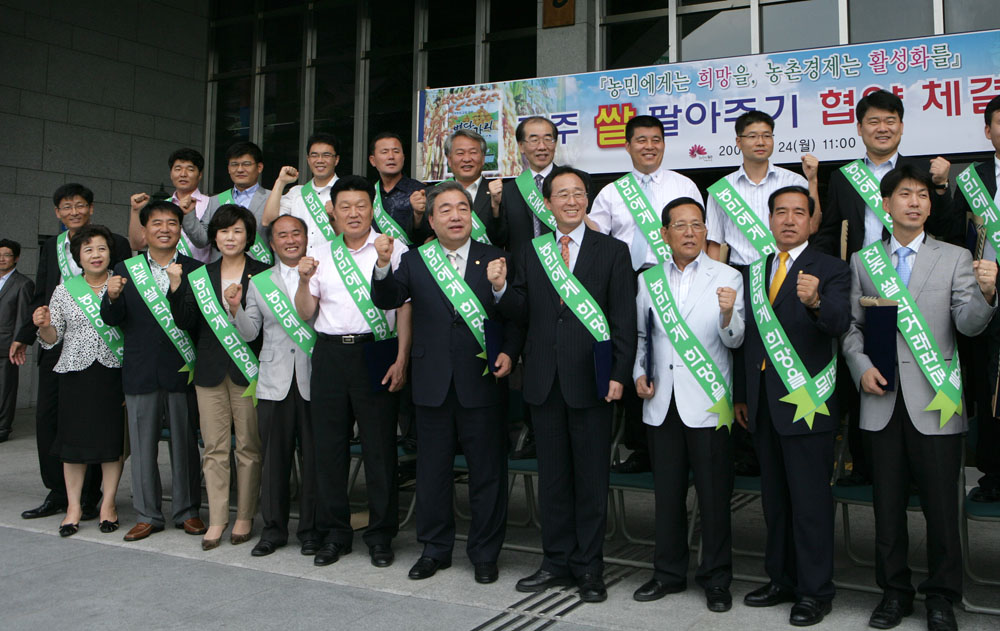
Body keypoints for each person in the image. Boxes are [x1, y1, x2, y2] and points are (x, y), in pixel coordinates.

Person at [843, 165, 997, 631]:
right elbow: (852, 328)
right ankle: (894, 592)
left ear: (931, 205)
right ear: (885, 205)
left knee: (940, 510)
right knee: (886, 508)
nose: (915, 202)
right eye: (904, 194)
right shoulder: (863, 261)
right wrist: (861, 365)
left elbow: (968, 325)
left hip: (937, 401)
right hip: (881, 401)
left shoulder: (953, 257)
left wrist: (988, 293)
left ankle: (942, 596)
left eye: (922, 195)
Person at [494, 166, 636, 603]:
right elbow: (523, 312)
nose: (571, 201)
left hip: (592, 381)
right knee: (552, 479)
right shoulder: (532, 251)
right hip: (543, 380)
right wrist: (500, 289)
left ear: (587, 200)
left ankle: (589, 567)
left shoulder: (612, 251)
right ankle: (555, 562)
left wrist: (618, 373)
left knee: (591, 480)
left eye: (578, 193)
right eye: (562, 195)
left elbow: (624, 322)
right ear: (549, 203)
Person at [371, 180, 517, 583]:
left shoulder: (495, 257)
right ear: (431, 220)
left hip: (482, 381)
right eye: (446, 210)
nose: (456, 216)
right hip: (432, 381)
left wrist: (502, 296)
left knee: (487, 474)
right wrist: (382, 266)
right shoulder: (416, 261)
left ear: (472, 217)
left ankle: (485, 554)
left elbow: (516, 314)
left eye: (463, 209)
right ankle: (435, 549)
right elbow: (388, 299)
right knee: (432, 473)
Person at [813, 89, 961, 488]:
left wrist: (943, 189)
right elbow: (830, 234)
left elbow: (946, 229)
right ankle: (867, 465)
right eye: (874, 121)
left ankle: (914, 465)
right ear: (859, 128)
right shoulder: (844, 177)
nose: (883, 128)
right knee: (866, 377)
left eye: (890, 120)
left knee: (913, 372)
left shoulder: (920, 174)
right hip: (864, 284)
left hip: (915, 284)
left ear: (901, 127)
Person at [734, 186, 850, 626]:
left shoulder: (831, 268)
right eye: (780, 212)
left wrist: (816, 302)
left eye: (798, 213)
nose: (788, 220)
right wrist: (744, 395)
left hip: (807, 402)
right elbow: (749, 340)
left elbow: (839, 323)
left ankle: (815, 591)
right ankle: (780, 579)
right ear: (769, 220)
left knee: (810, 503)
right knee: (775, 502)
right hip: (764, 405)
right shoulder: (755, 268)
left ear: (811, 221)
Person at [632, 197, 744, 612]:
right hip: (662, 402)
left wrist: (729, 314)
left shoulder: (728, 275)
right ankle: (668, 574)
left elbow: (736, 341)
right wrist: (637, 375)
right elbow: (643, 338)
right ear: (665, 234)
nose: (690, 232)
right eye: (680, 225)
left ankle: (716, 579)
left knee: (715, 497)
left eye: (697, 224)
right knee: (667, 494)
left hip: (709, 403)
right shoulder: (648, 281)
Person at [294, 175, 410, 568]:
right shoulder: (319, 253)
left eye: (361, 205)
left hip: (377, 352)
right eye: (345, 206)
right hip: (328, 355)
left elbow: (406, 308)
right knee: (328, 449)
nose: (354, 213)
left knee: (379, 450)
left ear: (372, 208)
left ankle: (380, 535)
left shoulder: (393, 249)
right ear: (334, 212)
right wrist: (304, 280)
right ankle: (335, 533)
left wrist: (402, 358)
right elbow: (306, 313)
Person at [11, 183, 130, 521]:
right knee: (50, 420)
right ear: (57, 212)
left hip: (105, 343)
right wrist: (26, 334)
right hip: (58, 341)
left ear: (91, 208)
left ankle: (93, 497)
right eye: (67, 206)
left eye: (80, 205)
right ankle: (58, 492)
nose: (74, 211)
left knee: (99, 422)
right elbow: (42, 295)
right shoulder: (52, 246)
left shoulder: (115, 242)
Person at [590, 115, 701, 475]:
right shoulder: (611, 192)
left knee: (674, 353)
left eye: (656, 139)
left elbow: (697, 236)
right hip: (627, 281)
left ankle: (682, 438)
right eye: (641, 140)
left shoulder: (683, 185)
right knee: (637, 353)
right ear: (627, 146)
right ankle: (640, 446)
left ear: (664, 144)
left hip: (674, 277)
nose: (649, 146)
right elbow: (599, 242)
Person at [101, 201, 206, 542]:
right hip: (141, 369)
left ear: (180, 229)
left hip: (181, 369)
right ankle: (147, 514)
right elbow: (113, 321)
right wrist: (112, 298)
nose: (164, 228)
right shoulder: (124, 269)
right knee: (142, 447)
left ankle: (188, 511)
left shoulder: (195, 270)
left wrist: (177, 290)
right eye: (156, 223)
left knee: (186, 444)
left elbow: (194, 322)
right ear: (143, 232)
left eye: (172, 223)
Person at [169, 204, 268, 550]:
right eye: (224, 231)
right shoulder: (200, 274)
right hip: (209, 371)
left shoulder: (263, 273)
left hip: (248, 370)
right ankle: (217, 519)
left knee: (249, 448)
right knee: (213, 448)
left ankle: (244, 516)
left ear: (249, 237)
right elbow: (186, 322)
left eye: (238, 231)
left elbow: (263, 331)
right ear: (214, 236)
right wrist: (176, 288)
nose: (230, 237)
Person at [232, 214, 319, 557]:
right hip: (273, 382)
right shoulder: (260, 281)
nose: (290, 240)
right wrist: (234, 308)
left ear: (306, 237)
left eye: (296, 233)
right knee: (274, 460)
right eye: (282, 235)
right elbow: (250, 332)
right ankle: (273, 529)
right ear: (272, 243)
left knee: (314, 460)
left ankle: (310, 530)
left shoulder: (320, 272)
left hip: (314, 377)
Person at [34, 224, 126, 537]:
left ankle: (108, 504)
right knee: (72, 445)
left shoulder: (124, 284)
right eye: (88, 250)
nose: (96, 255)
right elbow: (51, 337)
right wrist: (44, 325)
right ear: (78, 257)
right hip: (74, 372)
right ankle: (73, 507)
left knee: (110, 443)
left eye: (101, 248)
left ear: (109, 252)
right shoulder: (64, 290)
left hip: (113, 372)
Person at [952, 94, 1000, 503]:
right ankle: (993, 474)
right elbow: (953, 231)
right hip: (985, 297)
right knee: (986, 387)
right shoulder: (971, 180)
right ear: (988, 131)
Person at [706, 110, 820, 266]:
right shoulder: (722, 189)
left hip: (785, 271)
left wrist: (812, 181)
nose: (761, 142)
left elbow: (812, 227)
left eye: (767, 136)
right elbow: (715, 244)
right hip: (740, 274)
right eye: (752, 136)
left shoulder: (794, 181)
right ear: (738, 142)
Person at [498, 116, 592, 253]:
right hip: (523, 269)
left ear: (555, 143)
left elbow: (591, 230)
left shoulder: (579, 180)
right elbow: (500, 239)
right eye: (534, 140)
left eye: (548, 139)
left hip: (566, 266)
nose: (542, 147)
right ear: (521, 146)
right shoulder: (509, 190)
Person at [182, 141, 272, 264]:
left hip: (260, 273)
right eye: (234, 164)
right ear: (229, 168)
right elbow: (202, 240)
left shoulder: (272, 198)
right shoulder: (215, 200)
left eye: (246, 164)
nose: (240, 169)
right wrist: (189, 214)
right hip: (221, 273)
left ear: (259, 167)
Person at [411, 130, 505, 246]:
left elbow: (504, 238)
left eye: (473, 152)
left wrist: (495, 207)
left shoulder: (500, 192)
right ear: (449, 160)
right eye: (460, 153)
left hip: (488, 262)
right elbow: (417, 239)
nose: (466, 159)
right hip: (445, 262)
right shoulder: (431, 193)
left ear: (483, 158)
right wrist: (417, 215)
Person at [261, 133, 340, 257]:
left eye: (326, 155)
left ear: (336, 160)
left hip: (334, 266)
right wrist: (281, 182)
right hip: (298, 268)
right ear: (308, 160)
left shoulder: (346, 192)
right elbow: (268, 221)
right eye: (314, 155)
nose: (320, 160)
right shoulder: (297, 193)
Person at [128, 148, 212, 263]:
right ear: (171, 174)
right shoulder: (162, 206)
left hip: (200, 275)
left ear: (200, 175)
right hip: (164, 272)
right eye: (178, 169)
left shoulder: (211, 204)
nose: (183, 174)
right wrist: (135, 211)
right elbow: (137, 245)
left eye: (190, 169)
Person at [368, 131, 428, 246]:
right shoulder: (368, 193)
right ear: (373, 160)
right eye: (384, 152)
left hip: (409, 260)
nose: (391, 156)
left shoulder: (419, 191)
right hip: (375, 259)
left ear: (403, 158)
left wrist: (418, 214)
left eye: (396, 151)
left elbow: (428, 235)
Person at [0, 239, 33, 443]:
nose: (2, 259)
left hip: (6, 345)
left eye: (7, 255)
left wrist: (18, 341)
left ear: (16, 258)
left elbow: (23, 316)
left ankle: (3, 427)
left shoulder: (23, 283)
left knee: (5, 388)